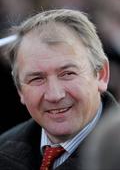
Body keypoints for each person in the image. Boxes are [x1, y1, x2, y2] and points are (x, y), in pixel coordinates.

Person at [0, 9, 119, 170]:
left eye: (68, 74)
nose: (54, 95)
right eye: (37, 78)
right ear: (20, 89)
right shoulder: (3, 150)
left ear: (101, 75)